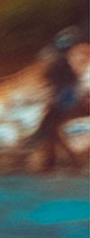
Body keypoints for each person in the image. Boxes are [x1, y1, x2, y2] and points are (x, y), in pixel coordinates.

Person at [32, 29, 90, 171]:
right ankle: (66, 162)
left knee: (49, 130)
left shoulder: (59, 62)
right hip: (65, 100)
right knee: (52, 131)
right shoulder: (65, 61)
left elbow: (53, 83)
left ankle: (57, 162)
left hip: (62, 101)